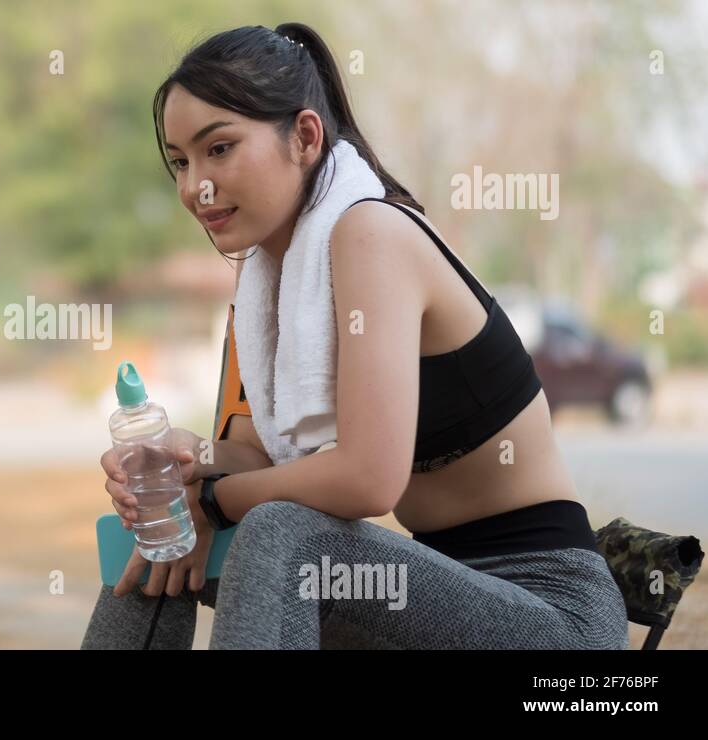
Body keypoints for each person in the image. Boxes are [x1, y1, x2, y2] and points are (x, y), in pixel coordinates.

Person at [80, 23, 628, 649]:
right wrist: (183, 465)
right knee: (158, 531)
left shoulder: (372, 235)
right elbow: (262, 463)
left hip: (549, 615)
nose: (193, 186)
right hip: (427, 597)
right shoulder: (266, 283)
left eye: (220, 149)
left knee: (281, 533)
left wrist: (213, 504)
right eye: (180, 162)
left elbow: (368, 479)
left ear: (307, 136)